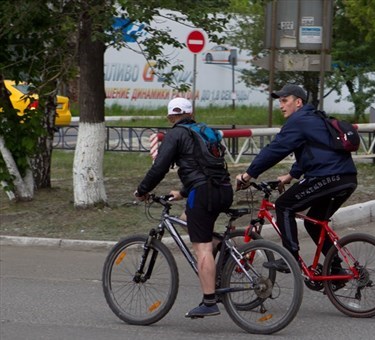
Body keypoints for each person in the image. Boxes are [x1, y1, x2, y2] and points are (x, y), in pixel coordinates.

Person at [235, 84, 358, 275]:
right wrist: (291, 175)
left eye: (285, 100)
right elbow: (313, 152)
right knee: (314, 222)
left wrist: (248, 175)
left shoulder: (298, 121)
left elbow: (274, 150)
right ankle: (337, 270)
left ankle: (289, 258)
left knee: (284, 206)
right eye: (279, 101)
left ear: (298, 102)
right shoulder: (315, 118)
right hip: (347, 178)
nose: (281, 105)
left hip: (327, 177)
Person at [134, 97, 233, 318]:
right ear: (191, 113)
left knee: (202, 248)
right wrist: (183, 192)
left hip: (204, 192)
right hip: (224, 189)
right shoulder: (205, 131)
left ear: (170, 117)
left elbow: (159, 167)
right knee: (189, 220)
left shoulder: (175, 134)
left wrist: (142, 190)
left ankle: (209, 302)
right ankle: (221, 246)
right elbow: (206, 167)